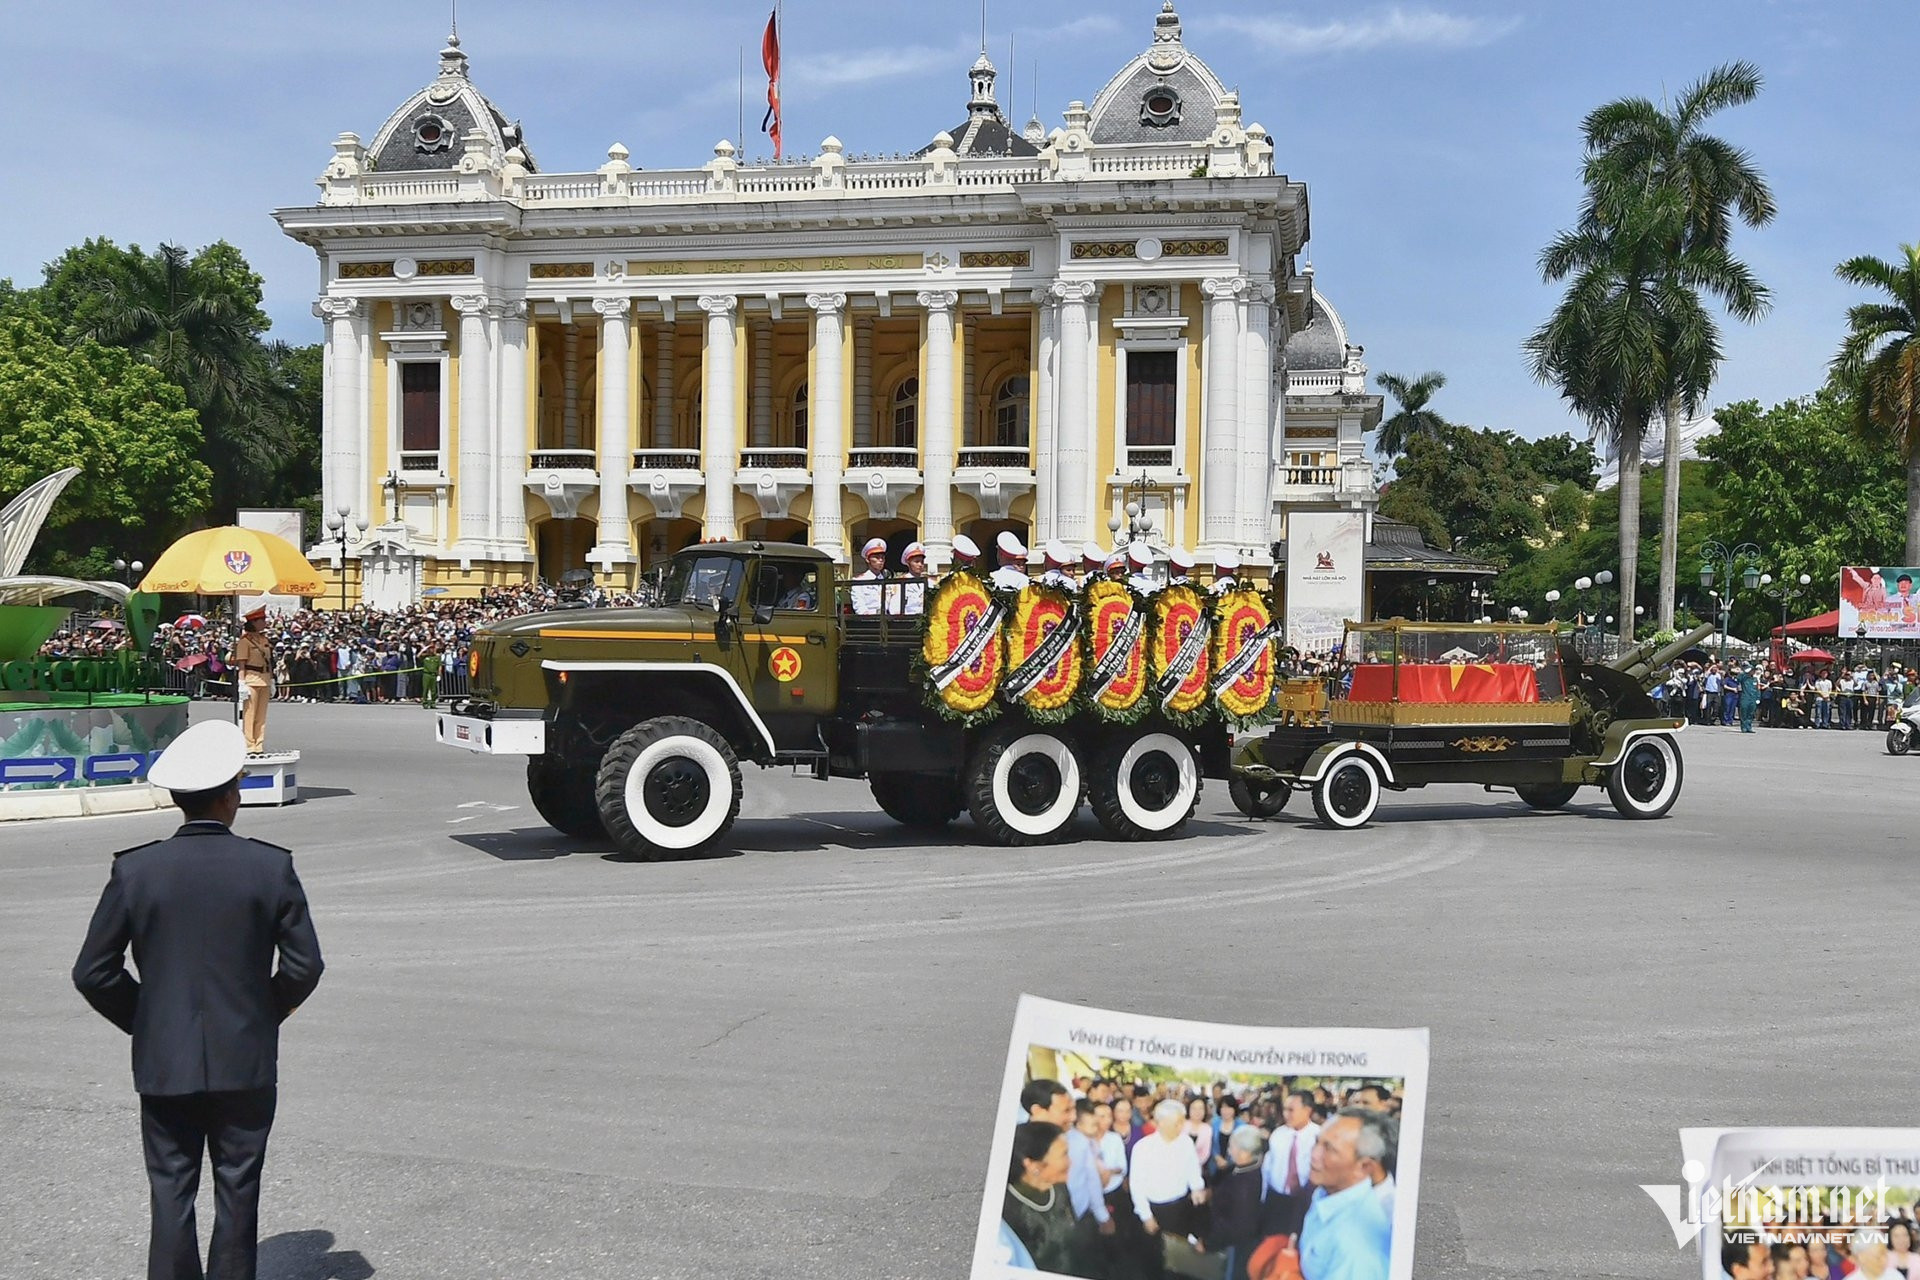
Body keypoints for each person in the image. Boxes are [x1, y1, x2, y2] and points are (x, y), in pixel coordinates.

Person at [72, 720, 325, 1280]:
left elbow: (93, 971)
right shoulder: (269, 866)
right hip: (245, 1058)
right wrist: (264, 1013)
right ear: (232, 796)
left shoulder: (136, 870)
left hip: (165, 1058)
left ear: (177, 799)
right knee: (238, 1190)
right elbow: (306, 966)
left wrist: (147, 1018)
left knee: (170, 1190)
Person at [1298, 1110, 1393, 1280]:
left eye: (1329, 1149)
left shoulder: (1357, 1250)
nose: (1313, 1155)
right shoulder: (1328, 1192)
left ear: (1363, 1167)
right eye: (1317, 1142)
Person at [1129, 1098, 1208, 1263]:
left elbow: (1193, 1169)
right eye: (1177, 1123)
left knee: (1180, 1257)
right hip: (1156, 1210)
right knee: (1156, 1257)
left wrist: (1197, 1188)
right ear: (1162, 1122)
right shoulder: (1143, 1147)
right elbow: (1136, 1184)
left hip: (1181, 1207)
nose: (1181, 1126)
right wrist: (1146, 1216)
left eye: (1182, 1122)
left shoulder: (1186, 1142)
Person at [1004, 1121, 1088, 1276]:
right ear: (1033, 1165)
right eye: (1064, 1154)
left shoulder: (1059, 1188)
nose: (1070, 1161)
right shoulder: (1007, 1210)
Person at [1204, 1125, 1274, 1280]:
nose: (1229, 1151)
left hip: (1235, 1248)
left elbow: (1237, 1226)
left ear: (1245, 1153)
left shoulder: (1246, 1185)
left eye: (1232, 1147)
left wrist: (1208, 1244)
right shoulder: (1244, 1168)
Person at [1262, 1088, 1320, 1235]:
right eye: (1285, 1109)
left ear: (1307, 1110)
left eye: (1291, 1110)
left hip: (1306, 1200)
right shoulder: (1278, 1134)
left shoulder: (1319, 1136)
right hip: (1277, 1200)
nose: (1286, 1114)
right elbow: (1267, 1168)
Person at [231, 608, 273, 754]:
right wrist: (241, 682)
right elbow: (242, 663)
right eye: (262, 620)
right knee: (250, 715)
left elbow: (269, 661)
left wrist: (272, 680)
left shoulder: (264, 639)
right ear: (254, 622)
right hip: (251, 679)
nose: (264, 622)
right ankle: (249, 744)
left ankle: (259, 744)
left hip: (265, 679)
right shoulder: (245, 642)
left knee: (261, 716)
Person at [850, 537, 891, 616]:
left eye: (882, 557)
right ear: (868, 560)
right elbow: (859, 607)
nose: (880, 560)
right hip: (869, 622)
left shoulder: (888, 582)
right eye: (876, 557)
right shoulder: (859, 581)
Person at [900, 542, 930, 615]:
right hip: (908, 621)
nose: (920, 565)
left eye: (922, 562)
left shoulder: (928, 582)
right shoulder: (901, 582)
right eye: (916, 562)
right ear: (908, 562)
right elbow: (895, 609)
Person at [421, 643, 442, 709]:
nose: (432, 650)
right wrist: (424, 649)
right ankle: (425, 702)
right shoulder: (425, 657)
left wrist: (439, 675)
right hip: (426, 674)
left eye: (433, 649)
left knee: (434, 690)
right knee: (425, 689)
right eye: (430, 649)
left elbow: (439, 667)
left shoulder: (437, 657)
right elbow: (418, 656)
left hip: (433, 675)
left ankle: (433, 703)